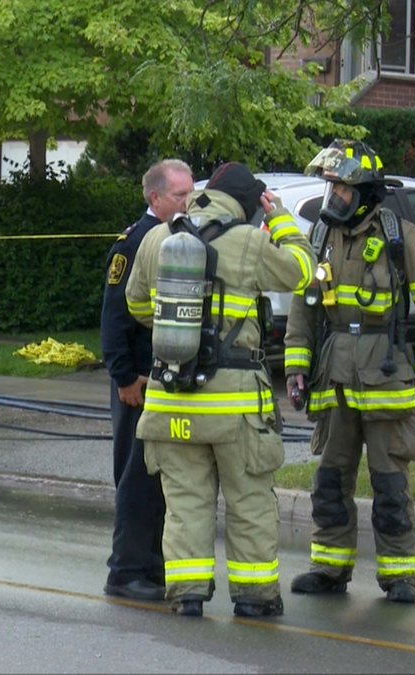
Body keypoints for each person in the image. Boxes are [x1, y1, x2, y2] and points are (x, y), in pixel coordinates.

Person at [125, 162, 315, 618]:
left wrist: (182, 329)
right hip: (234, 405)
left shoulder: (158, 237)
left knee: (185, 504)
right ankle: (254, 598)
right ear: (249, 204)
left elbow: (135, 304)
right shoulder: (250, 240)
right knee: (248, 500)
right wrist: (283, 221)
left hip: (171, 401)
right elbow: (303, 273)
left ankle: (187, 595)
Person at [284, 139, 415, 604]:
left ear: (364, 193)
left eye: (341, 190)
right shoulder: (320, 237)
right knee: (330, 478)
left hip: (386, 372)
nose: (333, 198)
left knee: (389, 480)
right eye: (331, 189)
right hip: (334, 372)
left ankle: (400, 576)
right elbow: (303, 309)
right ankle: (329, 567)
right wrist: (297, 368)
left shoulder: (400, 236)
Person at [100, 158, 194, 602]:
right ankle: (125, 571)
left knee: (160, 477)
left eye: (191, 192)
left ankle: (153, 566)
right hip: (137, 380)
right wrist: (123, 377)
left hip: (164, 380)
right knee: (136, 477)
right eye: (179, 195)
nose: (188, 201)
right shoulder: (134, 242)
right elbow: (116, 317)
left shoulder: (181, 240)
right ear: (155, 198)